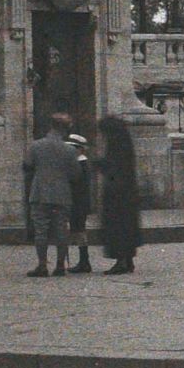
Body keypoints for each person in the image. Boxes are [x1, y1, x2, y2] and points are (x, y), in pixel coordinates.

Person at [22, 113, 83, 277]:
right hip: (62, 194)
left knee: (40, 231)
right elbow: (76, 174)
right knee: (62, 230)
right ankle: (60, 265)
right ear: (65, 130)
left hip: (40, 193)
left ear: (50, 126)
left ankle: (42, 265)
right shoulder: (70, 150)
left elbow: (27, 166)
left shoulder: (36, 146)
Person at [96, 114, 143, 274]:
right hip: (127, 192)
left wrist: (97, 163)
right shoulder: (125, 142)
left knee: (117, 227)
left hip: (117, 194)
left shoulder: (116, 145)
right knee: (126, 226)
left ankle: (121, 261)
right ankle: (128, 259)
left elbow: (113, 167)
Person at [65, 131, 94, 274]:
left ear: (80, 149)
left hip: (78, 202)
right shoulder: (80, 162)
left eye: (73, 148)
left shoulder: (81, 163)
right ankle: (83, 260)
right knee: (78, 230)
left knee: (79, 230)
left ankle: (84, 261)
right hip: (79, 201)